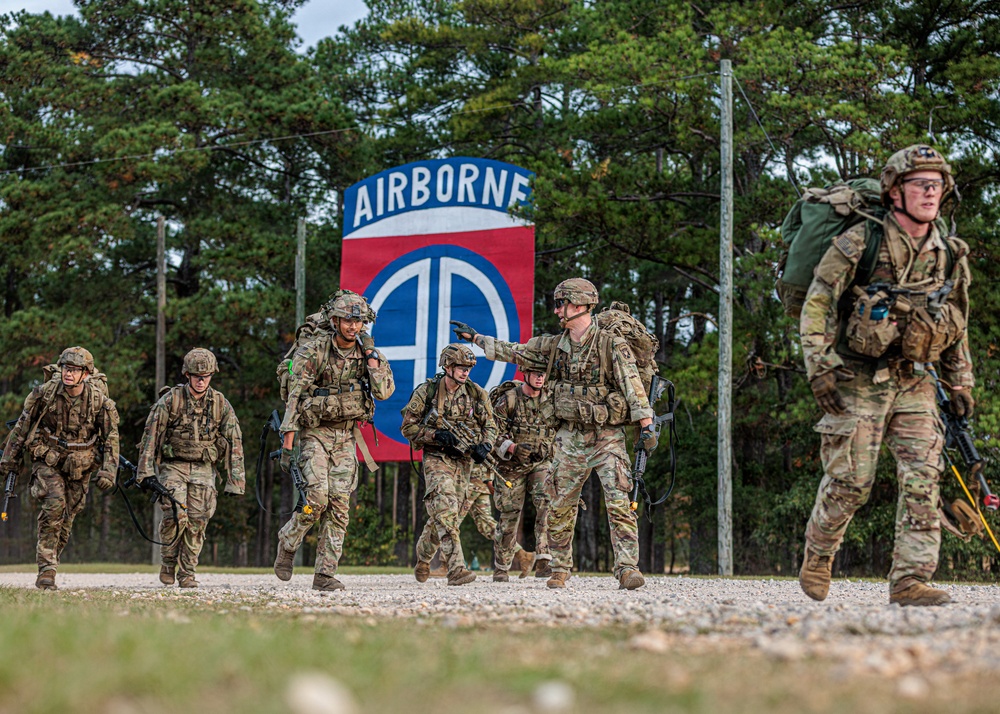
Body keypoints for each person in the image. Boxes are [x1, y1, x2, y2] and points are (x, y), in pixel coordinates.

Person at [798, 145, 974, 606]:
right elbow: (817, 303)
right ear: (895, 191)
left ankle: (910, 580)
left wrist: (960, 382)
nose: (930, 192)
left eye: (937, 184)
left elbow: (956, 320)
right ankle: (818, 555)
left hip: (915, 379)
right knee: (852, 481)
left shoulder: (949, 253)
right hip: (856, 375)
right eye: (919, 183)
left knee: (924, 475)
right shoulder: (861, 241)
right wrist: (820, 368)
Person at [451, 278, 655, 590]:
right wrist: (476, 339)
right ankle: (560, 567)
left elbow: (632, 385)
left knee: (618, 500)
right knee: (560, 503)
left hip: (606, 435)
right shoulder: (553, 346)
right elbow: (515, 352)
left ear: (581, 305)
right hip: (569, 436)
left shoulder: (610, 344)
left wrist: (646, 425)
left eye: (563, 303)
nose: (557, 309)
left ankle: (627, 568)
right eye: (557, 303)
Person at [273, 292, 394, 591]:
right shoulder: (315, 350)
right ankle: (288, 542)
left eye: (358, 321)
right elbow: (294, 397)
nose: (353, 327)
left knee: (339, 506)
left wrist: (372, 359)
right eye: (348, 321)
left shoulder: (369, 353)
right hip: (316, 432)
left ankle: (325, 574)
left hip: (346, 435)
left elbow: (384, 392)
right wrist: (287, 446)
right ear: (335, 320)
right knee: (316, 499)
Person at [0, 347, 119, 590]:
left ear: (85, 374)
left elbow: (111, 438)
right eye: (66, 368)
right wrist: (8, 461)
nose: (68, 374)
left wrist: (108, 471)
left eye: (74, 370)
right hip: (48, 459)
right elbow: (22, 427)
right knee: (54, 505)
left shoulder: (100, 401)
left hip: (81, 464)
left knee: (67, 518)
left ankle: (52, 559)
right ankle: (47, 570)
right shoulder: (44, 394)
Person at [136, 348, 246, 588]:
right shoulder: (171, 400)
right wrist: (144, 472)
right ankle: (168, 560)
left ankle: (187, 573)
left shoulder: (220, 404)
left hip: (204, 468)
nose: (200, 380)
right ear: (187, 374)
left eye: (205, 375)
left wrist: (236, 480)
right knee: (177, 515)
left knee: (198, 521)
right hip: (174, 467)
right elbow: (151, 436)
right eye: (196, 375)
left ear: (212, 376)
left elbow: (235, 440)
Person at [401, 343, 497, 586]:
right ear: (447, 366)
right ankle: (456, 569)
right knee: (444, 508)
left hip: (464, 463)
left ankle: (423, 556)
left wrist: (484, 445)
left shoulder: (476, 394)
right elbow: (407, 427)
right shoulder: (427, 391)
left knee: (447, 517)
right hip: (437, 458)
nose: (465, 372)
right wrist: (434, 435)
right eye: (460, 367)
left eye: (468, 368)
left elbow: (490, 426)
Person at [413, 461, 535, 580]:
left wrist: (489, 479)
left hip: (470, 482)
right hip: (480, 482)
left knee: (449, 520)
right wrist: (489, 478)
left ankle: (446, 564)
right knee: (485, 523)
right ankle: (522, 554)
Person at [491, 369, 556, 581]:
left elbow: (562, 433)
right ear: (526, 374)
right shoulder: (508, 400)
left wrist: (546, 449)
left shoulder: (552, 401)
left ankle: (544, 558)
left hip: (540, 463)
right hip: (511, 467)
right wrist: (511, 448)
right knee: (509, 515)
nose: (540, 377)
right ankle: (502, 565)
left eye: (543, 374)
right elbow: (491, 434)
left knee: (546, 502)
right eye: (535, 373)